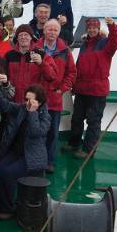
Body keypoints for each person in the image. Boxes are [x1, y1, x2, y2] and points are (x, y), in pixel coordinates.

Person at [0, 83, 51, 219]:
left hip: (31, 157)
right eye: (26, 99)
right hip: (16, 152)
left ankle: (8, 208)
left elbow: (36, 132)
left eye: (30, 100)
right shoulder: (22, 108)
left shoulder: (45, 116)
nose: (27, 102)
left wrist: (33, 113)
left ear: (39, 102)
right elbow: (5, 105)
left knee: (8, 173)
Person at [68, 17, 117, 158]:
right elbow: (79, 66)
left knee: (93, 121)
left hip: (97, 90)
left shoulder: (105, 43)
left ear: (98, 29)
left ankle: (88, 150)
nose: (92, 30)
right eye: (89, 28)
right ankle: (74, 143)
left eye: (94, 28)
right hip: (82, 88)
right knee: (77, 118)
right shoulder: (84, 44)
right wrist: (74, 85)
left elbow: (116, 41)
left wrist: (112, 26)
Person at [35, 19, 75, 168]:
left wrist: (62, 89)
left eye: (55, 30)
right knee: (36, 130)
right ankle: (36, 160)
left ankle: (49, 161)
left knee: (52, 132)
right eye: (49, 29)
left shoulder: (65, 51)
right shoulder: (36, 48)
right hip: (37, 97)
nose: (52, 32)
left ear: (59, 32)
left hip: (54, 98)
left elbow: (71, 73)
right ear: (44, 30)